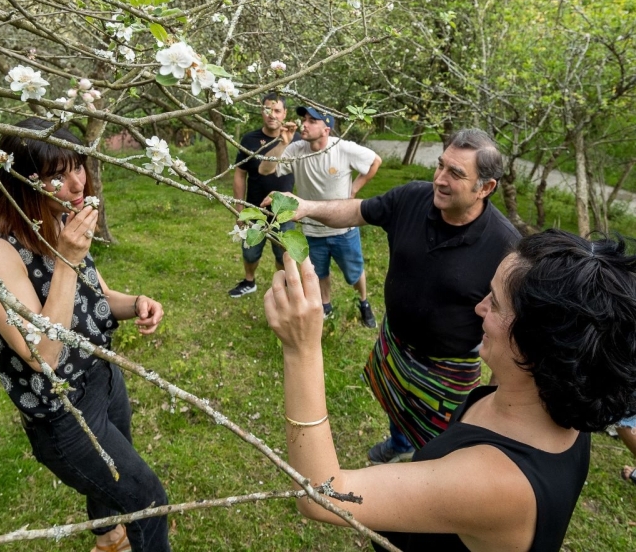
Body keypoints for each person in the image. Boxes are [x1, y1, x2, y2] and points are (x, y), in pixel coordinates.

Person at [265, 230, 636, 552]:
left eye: (495, 302)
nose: (480, 307)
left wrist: (302, 350)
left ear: (534, 345)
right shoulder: (559, 398)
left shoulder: (496, 485)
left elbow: (324, 494)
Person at [0, 118, 171, 552]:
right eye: (58, 175)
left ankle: (108, 539)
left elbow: (97, 295)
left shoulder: (58, 218)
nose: (78, 182)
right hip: (63, 411)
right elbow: (42, 353)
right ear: (20, 181)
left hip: (104, 377)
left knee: (112, 478)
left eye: (78, 165)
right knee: (148, 501)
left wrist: (135, 303)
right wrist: (67, 259)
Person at [271, 128, 520, 463]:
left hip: (448, 367)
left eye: (456, 173)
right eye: (440, 165)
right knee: (395, 404)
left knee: (441, 441)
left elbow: (510, 329)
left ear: (486, 188)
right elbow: (357, 211)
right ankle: (400, 444)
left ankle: (425, 468)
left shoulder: (506, 247)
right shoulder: (413, 198)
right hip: (395, 342)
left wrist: (496, 396)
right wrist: (306, 206)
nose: (439, 180)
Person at [258, 105, 382, 328]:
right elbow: (264, 170)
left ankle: (363, 302)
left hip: (344, 230)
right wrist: (283, 143)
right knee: (319, 273)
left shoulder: (342, 148)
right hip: (312, 230)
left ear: (326, 129)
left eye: (312, 121)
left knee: (354, 273)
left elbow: (375, 161)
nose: (304, 124)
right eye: (304, 119)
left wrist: (354, 190)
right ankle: (326, 305)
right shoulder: (295, 149)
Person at [228, 93, 301, 298]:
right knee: (250, 252)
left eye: (277, 110)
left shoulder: (296, 140)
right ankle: (249, 281)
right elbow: (240, 174)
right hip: (255, 208)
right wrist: (239, 209)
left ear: (285, 113)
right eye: (268, 110)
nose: (272, 115)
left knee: (283, 253)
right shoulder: (249, 140)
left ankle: (282, 287)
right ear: (262, 111)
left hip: (284, 211)